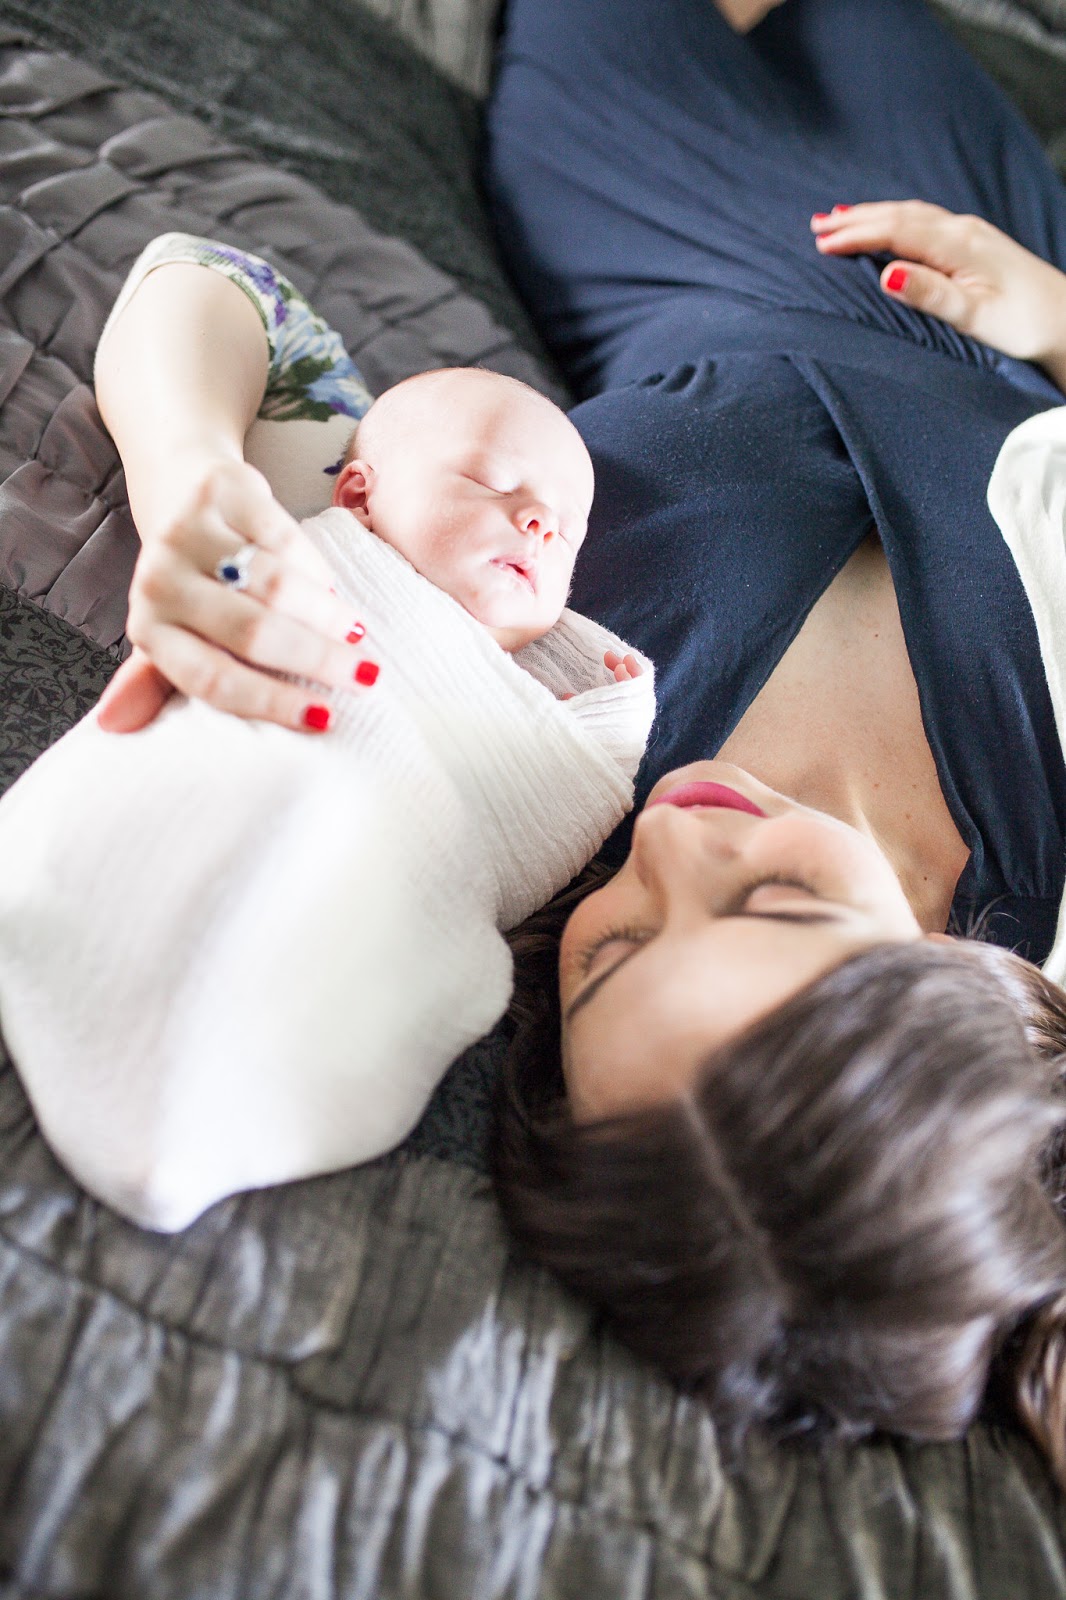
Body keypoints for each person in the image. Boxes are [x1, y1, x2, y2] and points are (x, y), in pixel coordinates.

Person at [57, 0, 1066, 1482]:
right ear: (973, 993)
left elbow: (209, 292)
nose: (669, 846)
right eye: (777, 899)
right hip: (990, 244)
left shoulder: (525, 705)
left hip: (652, 195)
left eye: (611, 949)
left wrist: (187, 472)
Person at [0, 264, 654, 1230]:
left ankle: (240, 1087)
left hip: (409, 871)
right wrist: (194, 474)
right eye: (490, 482)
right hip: (254, 756)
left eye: (565, 529)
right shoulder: (310, 529)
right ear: (355, 491)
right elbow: (208, 276)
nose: (536, 519)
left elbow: (537, 819)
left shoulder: (572, 708)